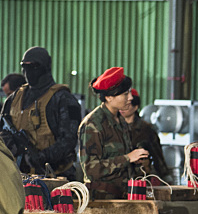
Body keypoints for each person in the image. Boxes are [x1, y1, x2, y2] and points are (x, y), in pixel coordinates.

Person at [0, 47, 82, 179]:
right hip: (19, 175)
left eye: (33, 66)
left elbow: (69, 140)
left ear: (45, 67)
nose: (28, 71)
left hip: (56, 175)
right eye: (24, 66)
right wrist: (12, 146)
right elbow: (2, 129)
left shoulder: (63, 99)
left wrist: (40, 157)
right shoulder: (14, 98)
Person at [78, 67, 149, 199]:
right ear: (109, 97)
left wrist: (136, 161)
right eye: (125, 94)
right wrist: (128, 158)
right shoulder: (93, 124)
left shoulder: (120, 120)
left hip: (122, 197)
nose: (130, 98)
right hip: (102, 200)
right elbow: (91, 170)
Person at [120, 88, 169, 180]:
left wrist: (165, 176)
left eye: (127, 105)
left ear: (135, 107)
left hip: (140, 177)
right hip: (118, 177)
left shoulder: (146, 130)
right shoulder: (114, 127)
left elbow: (157, 155)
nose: (122, 109)